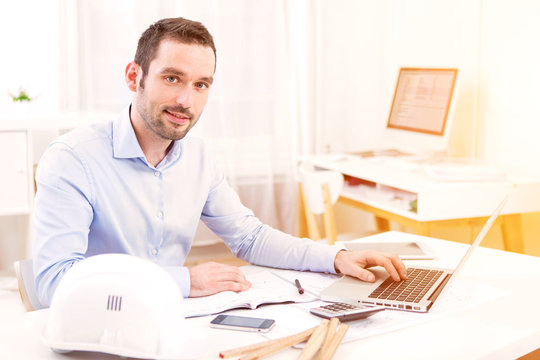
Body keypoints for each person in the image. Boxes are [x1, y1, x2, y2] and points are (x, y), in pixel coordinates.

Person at [33, 17, 407, 307]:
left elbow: (250, 238)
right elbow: (54, 282)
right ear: (135, 77)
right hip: (99, 328)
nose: (186, 101)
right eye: (172, 78)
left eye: (201, 85)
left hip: (175, 320)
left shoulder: (197, 157)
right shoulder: (72, 159)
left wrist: (338, 257)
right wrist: (185, 281)